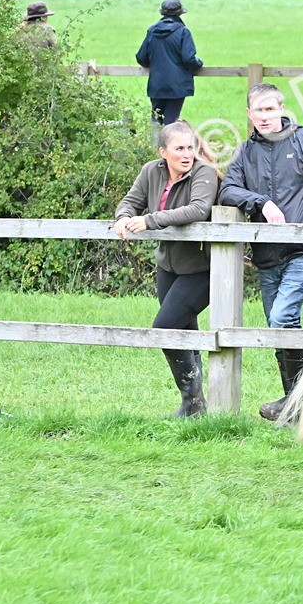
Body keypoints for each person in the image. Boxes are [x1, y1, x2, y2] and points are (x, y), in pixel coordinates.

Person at [219, 83, 303, 422]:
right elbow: (228, 189)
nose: (265, 116)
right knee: (278, 329)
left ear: (281, 109)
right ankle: (298, 404)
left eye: (270, 109)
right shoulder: (244, 153)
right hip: (266, 255)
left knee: (282, 318)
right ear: (249, 114)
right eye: (258, 110)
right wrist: (260, 202)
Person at [113, 120, 221, 417]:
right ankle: (195, 405)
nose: (187, 154)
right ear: (163, 152)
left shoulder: (204, 172)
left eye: (191, 148)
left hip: (203, 267)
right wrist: (123, 217)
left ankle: (191, 401)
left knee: (165, 327)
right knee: (183, 329)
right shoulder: (151, 171)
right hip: (167, 266)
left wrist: (150, 220)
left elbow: (198, 209)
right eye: (179, 149)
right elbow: (130, 202)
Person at [135, 0, 203, 127]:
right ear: (180, 13)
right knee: (171, 122)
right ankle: (167, 146)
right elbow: (189, 59)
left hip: (156, 84)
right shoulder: (183, 32)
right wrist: (198, 64)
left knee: (156, 120)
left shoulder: (152, 31)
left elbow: (141, 57)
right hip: (177, 86)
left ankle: (154, 146)